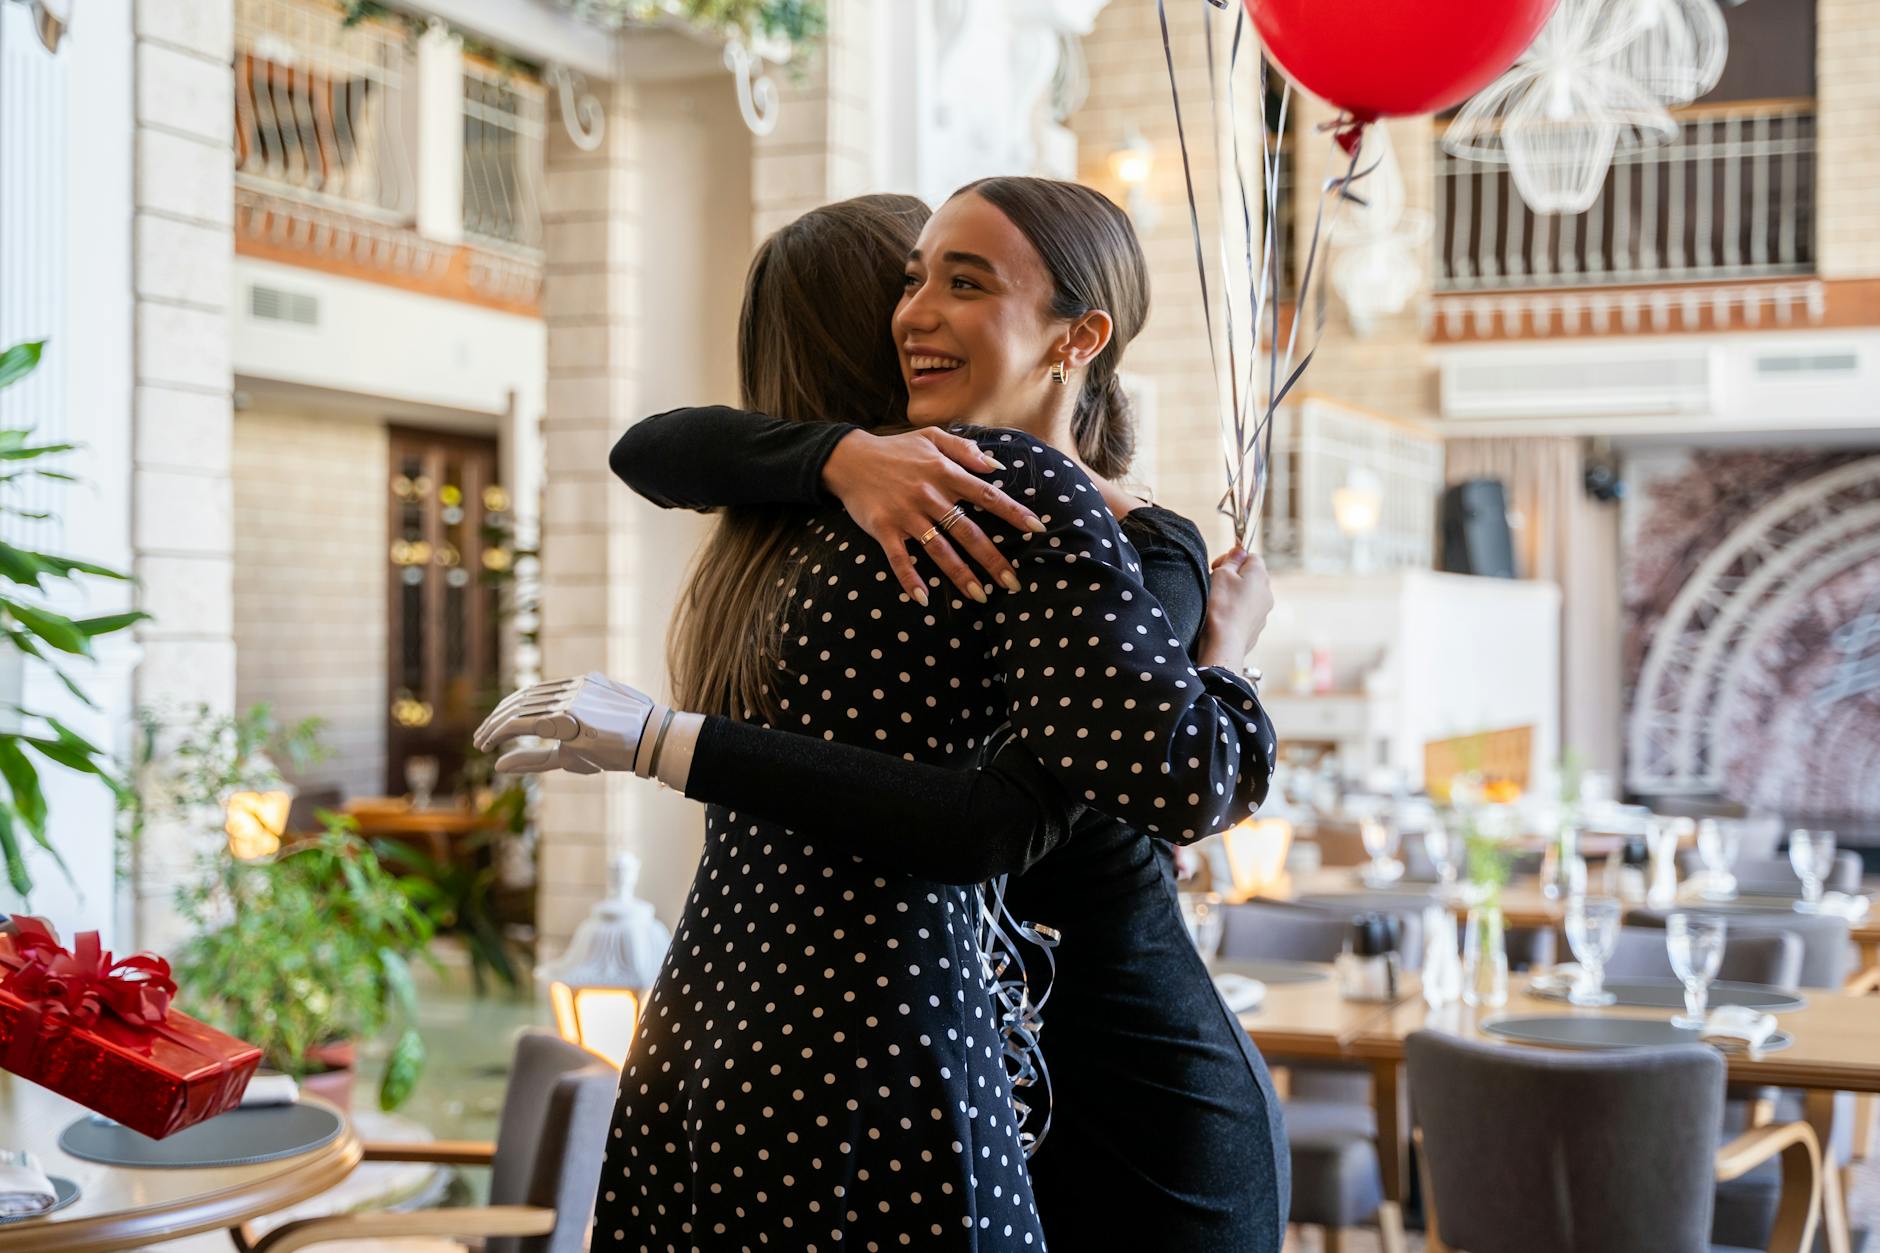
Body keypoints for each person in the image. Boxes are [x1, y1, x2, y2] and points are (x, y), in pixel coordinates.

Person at [480, 183, 1280, 1250]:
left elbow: (1024, 812)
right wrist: (837, 454)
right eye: (912, 279)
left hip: (1119, 1056)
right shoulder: (851, 514)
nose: (920, 315)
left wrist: (1227, 661)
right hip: (945, 1036)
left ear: (1069, 337)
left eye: (963, 281)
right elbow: (648, 447)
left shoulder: (1124, 537)